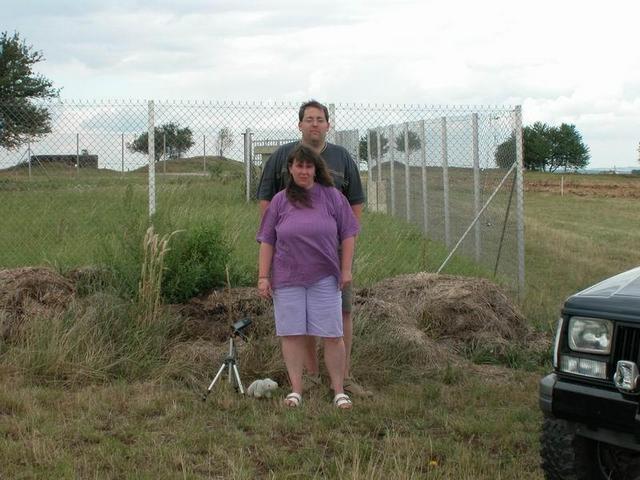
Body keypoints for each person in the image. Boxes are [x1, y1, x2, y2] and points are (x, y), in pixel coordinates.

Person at [256, 99, 371, 397]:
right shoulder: (283, 156)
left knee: (341, 315)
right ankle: (309, 377)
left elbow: (354, 206)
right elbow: (267, 202)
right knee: (300, 319)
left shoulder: (343, 158)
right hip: (291, 259)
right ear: (300, 124)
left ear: (328, 124)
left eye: (320, 119)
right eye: (309, 119)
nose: (315, 124)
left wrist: (343, 244)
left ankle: (343, 379)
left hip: (332, 258)